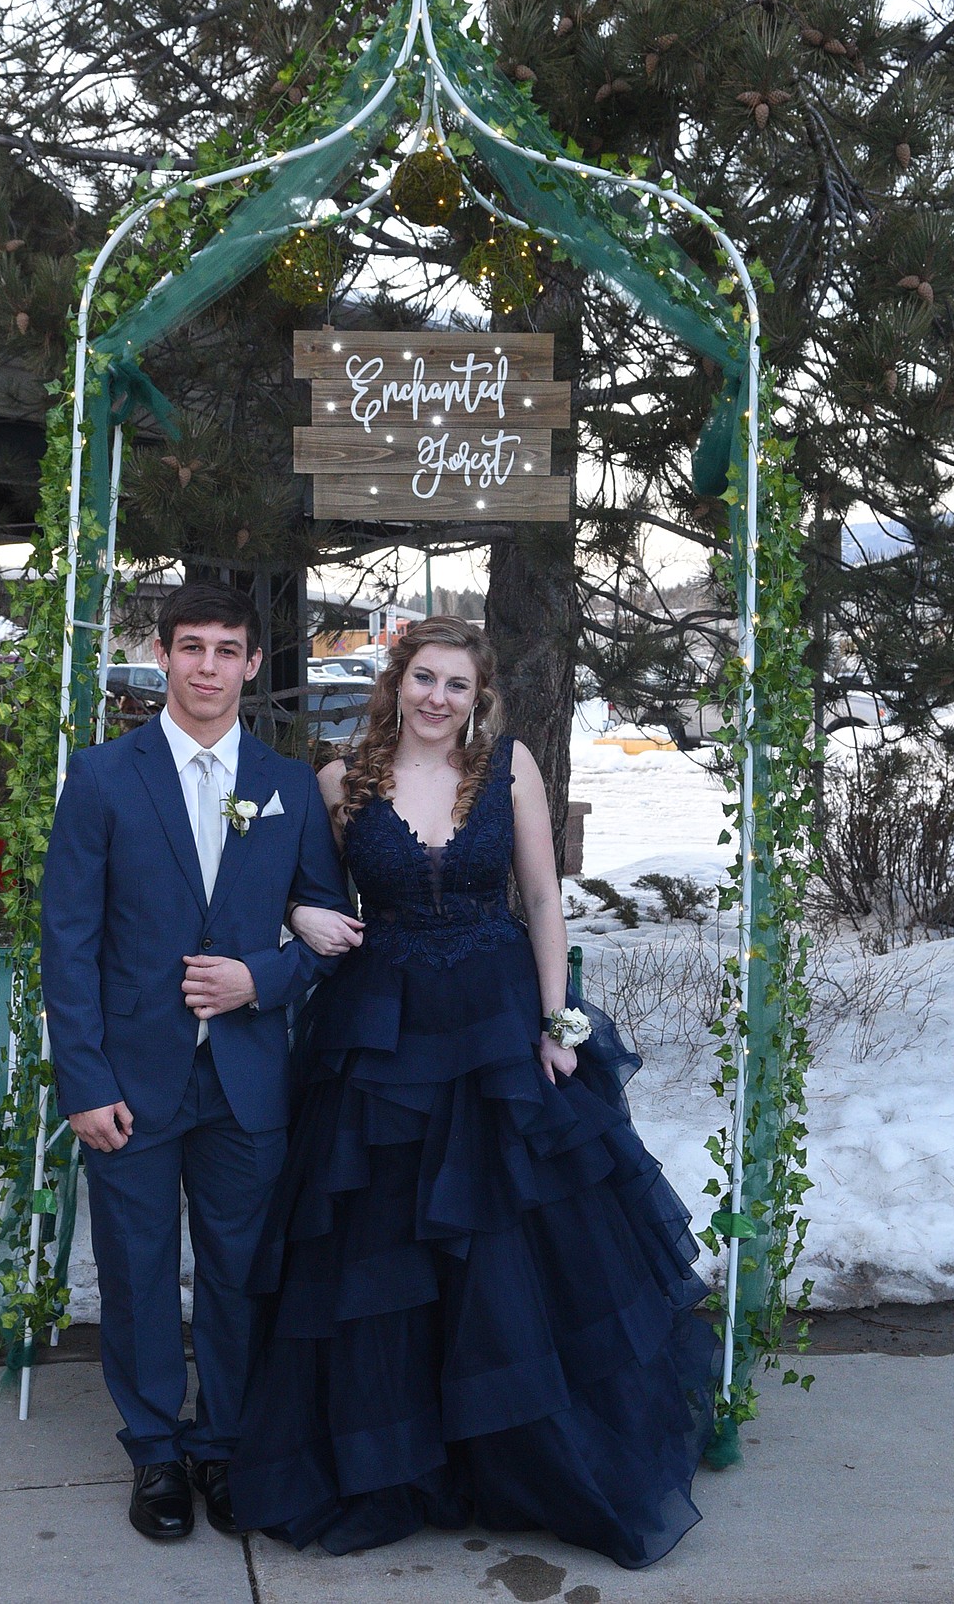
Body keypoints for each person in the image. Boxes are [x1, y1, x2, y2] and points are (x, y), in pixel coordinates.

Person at [228, 616, 719, 1569]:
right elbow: (291, 889)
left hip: (498, 1025)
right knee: (388, 1248)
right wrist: (298, 911)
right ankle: (401, 1460)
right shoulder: (340, 783)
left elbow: (540, 898)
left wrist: (556, 1021)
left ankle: (526, 1457)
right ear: (395, 683)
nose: (438, 698)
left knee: (513, 1244)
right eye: (423, 679)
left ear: (477, 695)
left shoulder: (511, 770)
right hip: (384, 1037)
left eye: (457, 684)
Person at [40, 582, 356, 1542]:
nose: (208, 665)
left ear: (254, 665)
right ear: (164, 656)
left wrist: (257, 980)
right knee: (136, 1272)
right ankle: (154, 1450)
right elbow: (69, 943)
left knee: (236, 1269)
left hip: (247, 1079)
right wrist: (85, 1084)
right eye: (191, 647)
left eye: (227, 649)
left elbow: (324, 935)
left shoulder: (289, 784)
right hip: (132, 1081)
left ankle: (222, 1443)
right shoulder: (101, 777)